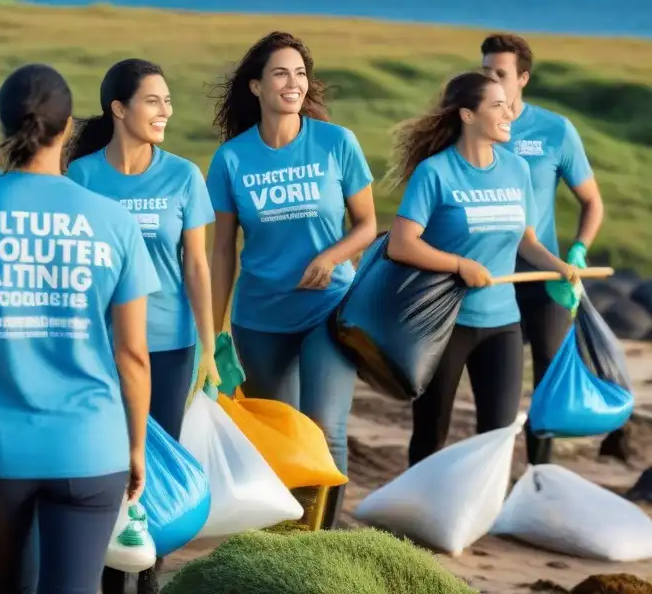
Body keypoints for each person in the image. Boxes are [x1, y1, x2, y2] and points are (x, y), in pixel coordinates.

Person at [0, 63, 159, 594]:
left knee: (13, 581)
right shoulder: (114, 221)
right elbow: (133, 354)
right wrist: (136, 448)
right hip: (92, 448)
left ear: (4, 125)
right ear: (67, 129)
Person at [206, 31, 377, 529]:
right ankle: (288, 537)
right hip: (260, 318)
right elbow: (222, 252)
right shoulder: (232, 159)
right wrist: (215, 328)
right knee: (279, 433)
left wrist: (333, 256)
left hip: (329, 307)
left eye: (300, 73)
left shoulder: (335, 143)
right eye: (281, 73)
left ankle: (322, 544)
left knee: (326, 428)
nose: (294, 82)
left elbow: (366, 225)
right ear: (256, 87)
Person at [65, 58, 220, 594]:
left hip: (171, 346)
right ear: (119, 108)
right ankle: (108, 574)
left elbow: (197, 266)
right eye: (153, 101)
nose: (165, 111)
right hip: (101, 349)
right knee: (108, 462)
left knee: (154, 468)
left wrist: (209, 343)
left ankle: (148, 577)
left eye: (168, 101)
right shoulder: (82, 176)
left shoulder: (183, 175)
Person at [385, 69, 582, 466]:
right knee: (431, 433)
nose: (509, 113)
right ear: (468, 115)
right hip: (444, 324)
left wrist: (560, 266)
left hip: (502, 323)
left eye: (508, 105)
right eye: (497, 106)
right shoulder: (435, 172)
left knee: (497, 434)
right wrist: (460, 265)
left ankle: (477, 518)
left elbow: (527, 240)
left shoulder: (516, 169)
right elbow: (400, 244)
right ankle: (417, 519)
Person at [481, 33, 605, 465]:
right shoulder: (473, 124)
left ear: (523, 79)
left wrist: (577, 252)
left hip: (547, 277)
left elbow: (592, 202)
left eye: (500, 74)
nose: (491, 81)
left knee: (549, 382)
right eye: (485, 72)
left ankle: (539, 477)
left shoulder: (554, 130)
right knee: (497, 388)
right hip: (491, 281)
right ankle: (487, 481)